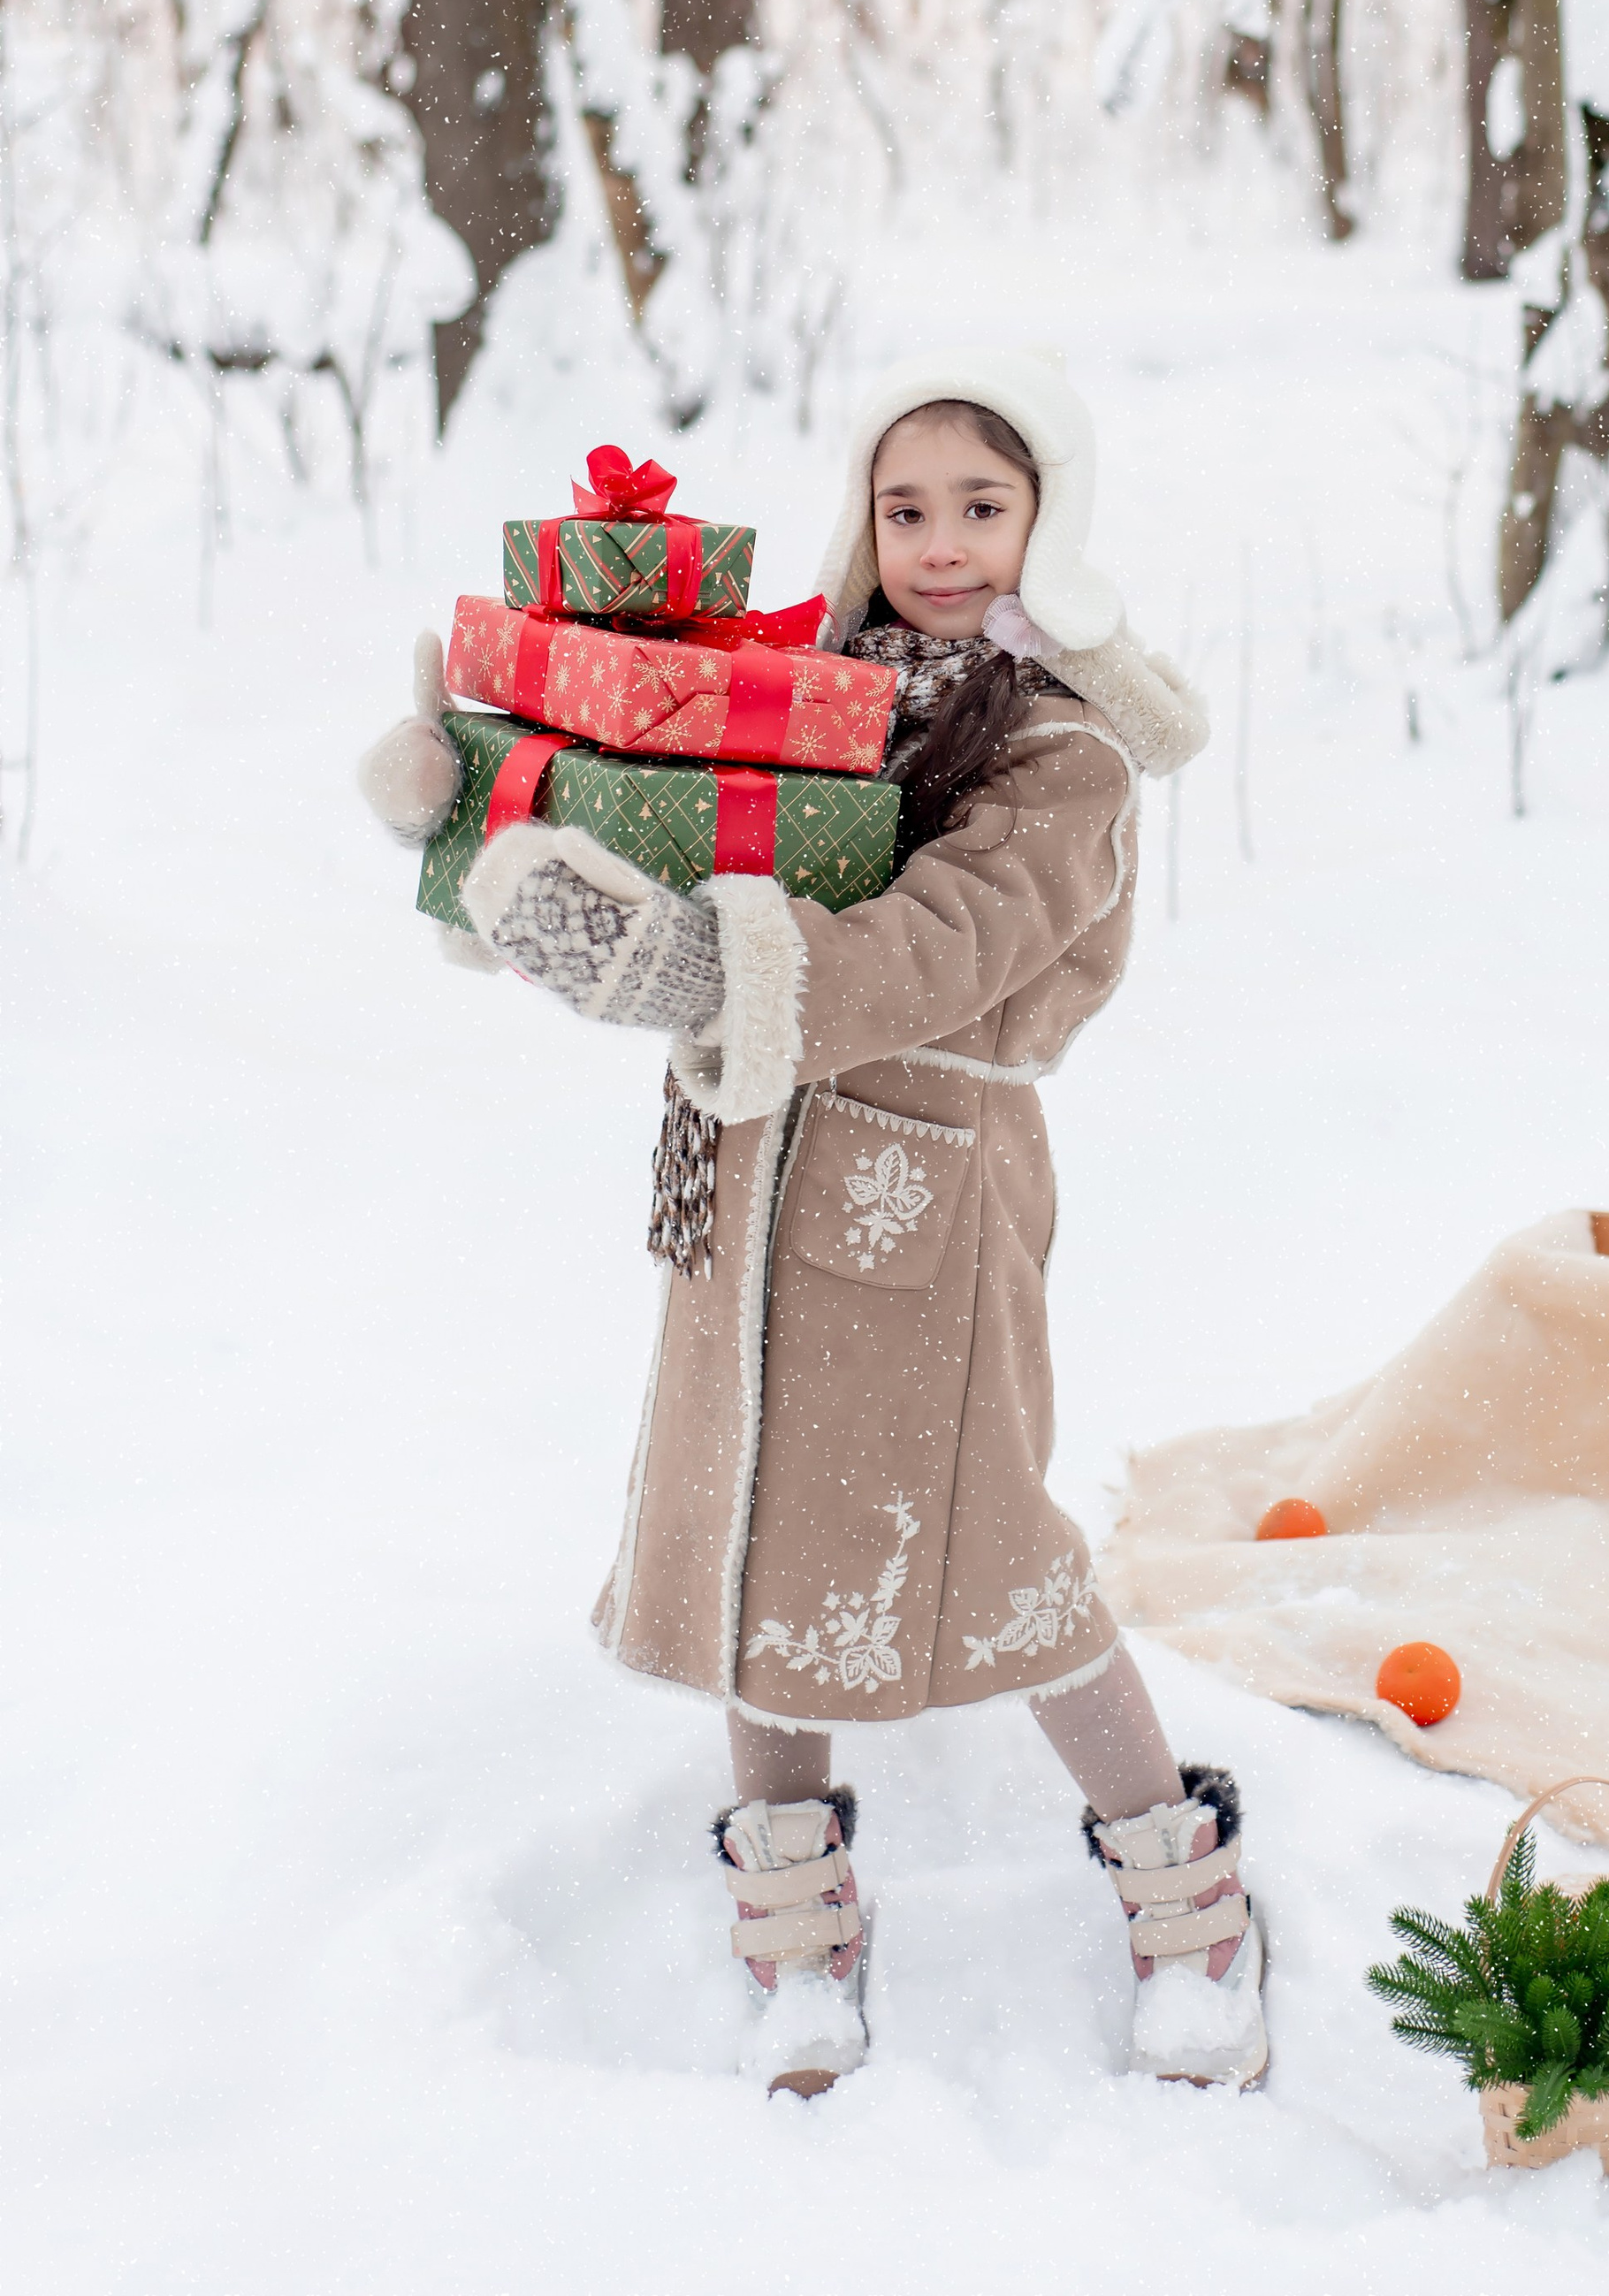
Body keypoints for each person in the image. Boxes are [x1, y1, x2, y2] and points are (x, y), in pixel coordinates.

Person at [358, 350, 1266, 2098]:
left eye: (977, 505)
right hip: (748, 1156)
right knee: (752, 1534)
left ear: (1044, 518)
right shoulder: (807, 687)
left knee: (996, 1543)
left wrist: (735, 963)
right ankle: (797, 1924)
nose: (934, 539)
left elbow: (951, 936)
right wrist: (501, 839)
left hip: (927, 1161)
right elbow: (676, 846)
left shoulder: (1063, 745)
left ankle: (1184, 1892)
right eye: (903, 504)